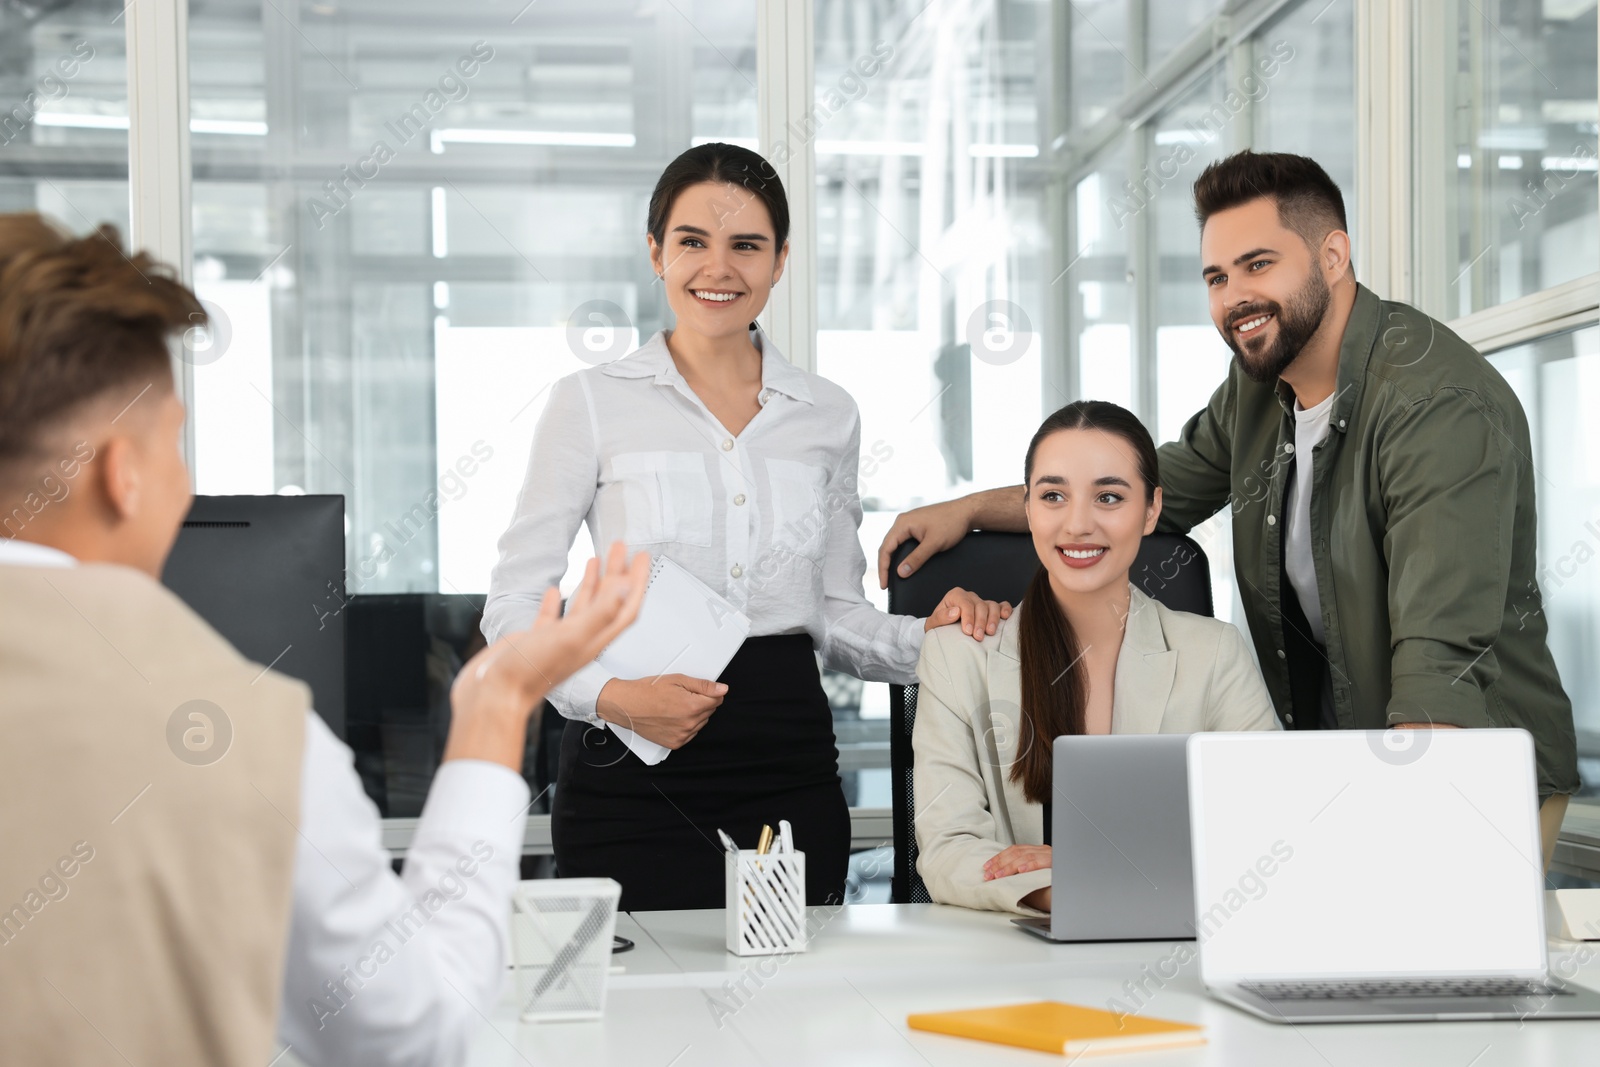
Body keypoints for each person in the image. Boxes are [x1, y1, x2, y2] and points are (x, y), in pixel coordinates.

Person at [0, 213, 650, 1066]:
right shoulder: (247, 737)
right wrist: (497, 706)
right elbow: (410, 1033)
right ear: (123, 473)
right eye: (174, 446)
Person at [880, 150, 1579, 868]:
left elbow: (1440, 666)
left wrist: (1400, 852)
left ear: (1333, 255)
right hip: (1346, 769)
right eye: (1217, 276)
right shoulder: (1261, 384)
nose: (1234, 296)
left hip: (1459, 776)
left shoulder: (1435, 407)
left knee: (1429, 977)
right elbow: (1154, 491)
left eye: (1258, 264)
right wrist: (973, 509)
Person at [482, 142, 1009, 911]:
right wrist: (612, 697)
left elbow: (831, 611)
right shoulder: (590, 401)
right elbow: (512, 606)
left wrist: (938, 641)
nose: (717, 268)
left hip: (785, 764)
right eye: (693, 241)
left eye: (746, 245)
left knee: (791, 1012)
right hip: (630, 770)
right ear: (657, 250)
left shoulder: (828, 414)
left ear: (780, 259)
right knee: (639, 1019)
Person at [913, 401, 1278, 916]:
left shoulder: (1215, 654)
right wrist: (1068, 891)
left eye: (1109, 497)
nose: (1078, 524)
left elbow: (1266, 831)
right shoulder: (957, 655)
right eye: (1053, 496)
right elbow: (948, 848)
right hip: (1016, 955)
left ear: (1151, 510)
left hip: (1171, 953)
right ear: (1028, 509)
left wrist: (1093, 868)